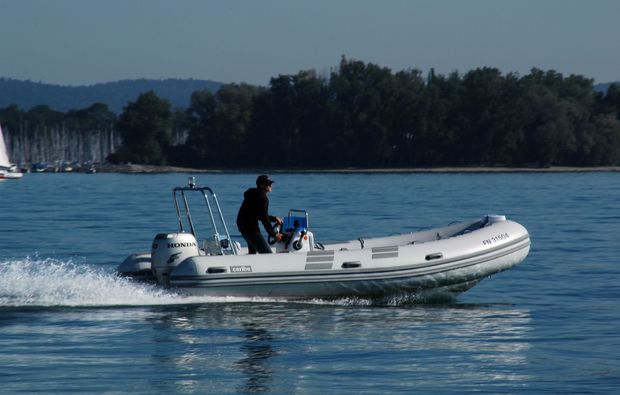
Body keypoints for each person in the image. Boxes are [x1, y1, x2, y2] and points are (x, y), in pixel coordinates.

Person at [236, 175, 283, 254]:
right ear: (261, 185)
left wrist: (274, 218)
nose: (270, 185)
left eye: (271, 183)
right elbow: (264, 218)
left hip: (242, 227)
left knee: (253, 251)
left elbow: (259, 215)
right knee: (267, 254)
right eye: (268, 183)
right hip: (251, 229)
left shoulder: (253, 195)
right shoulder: (262, 198)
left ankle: (251, 264)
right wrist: (273, 234)